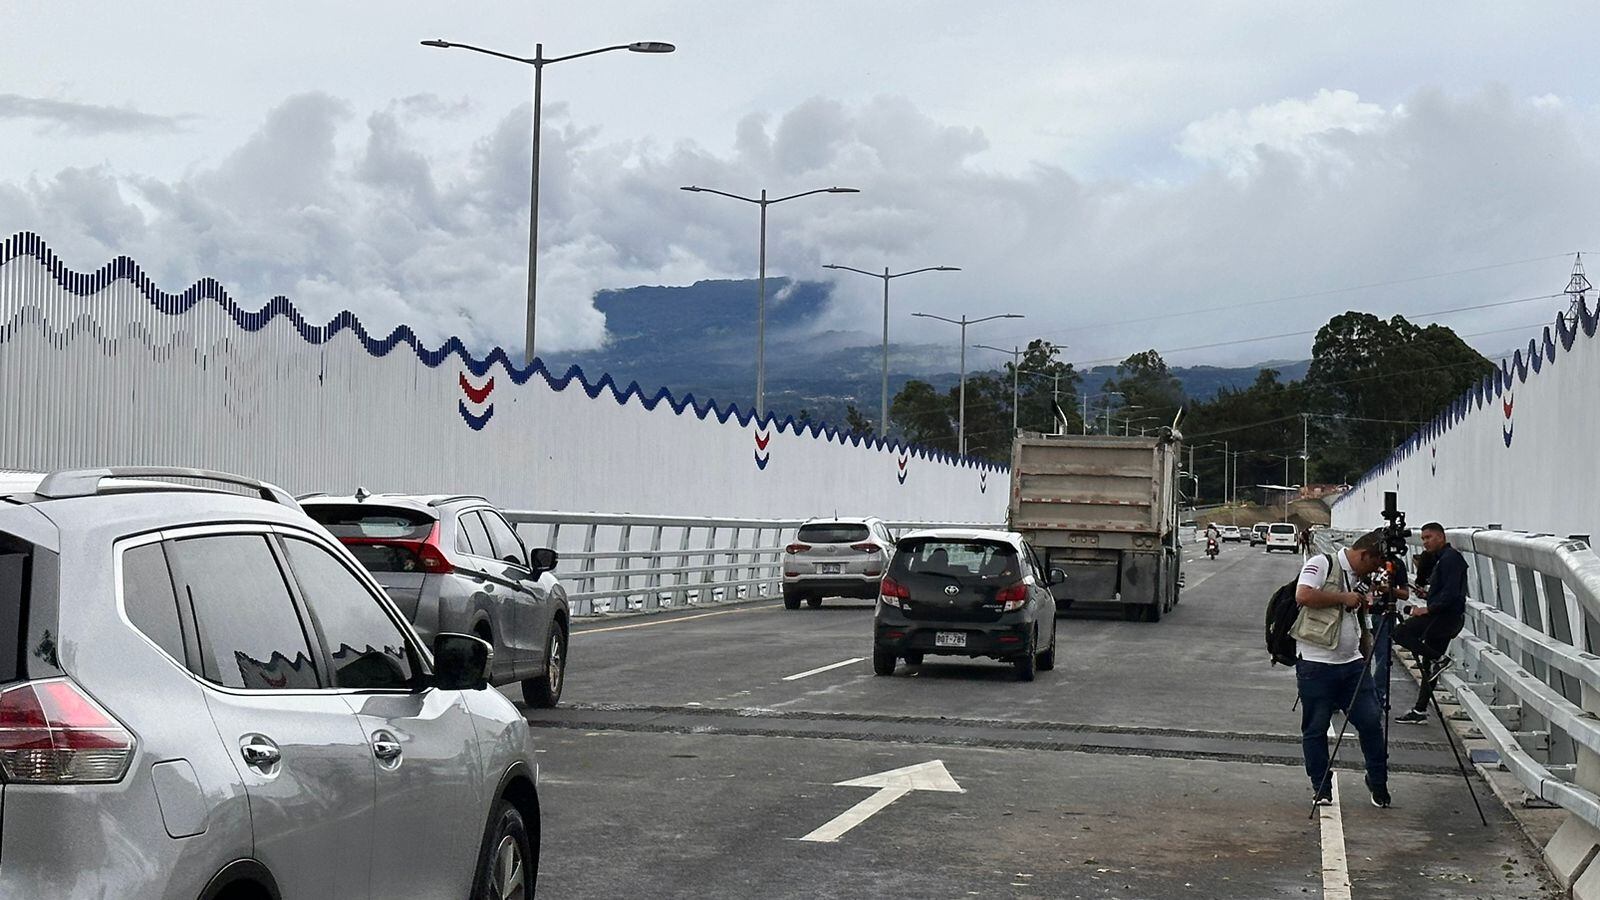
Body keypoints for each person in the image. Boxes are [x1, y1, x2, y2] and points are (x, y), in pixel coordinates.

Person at [1294, 529, 1390, 808]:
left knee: (1371, 722)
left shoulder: (1360, 578)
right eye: (1374, 565)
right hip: (1316, 663)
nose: (1374, 571)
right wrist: (1342, 598)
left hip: (1352, 665)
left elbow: (1360, 620)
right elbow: (1303, 595)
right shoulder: (1322, 563)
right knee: (1316, 728)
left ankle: (1378, 781)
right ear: (1364, 555)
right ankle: (1321, 786)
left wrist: (1365, 653)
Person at [1394, 524, 1468, 724]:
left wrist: (1427, 609)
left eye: (1428, 537)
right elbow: (1449, 592)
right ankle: (1420, 709)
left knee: (1399, 633)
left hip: (1444, 618)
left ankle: (1439, 659)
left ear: (1441, 537)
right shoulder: (1445, 558)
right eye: (1423, 538)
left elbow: (1452, 594)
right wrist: (1428, 595)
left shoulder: (1450, 559)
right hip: (1445, 616)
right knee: (1428, 666)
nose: (1425, 542)